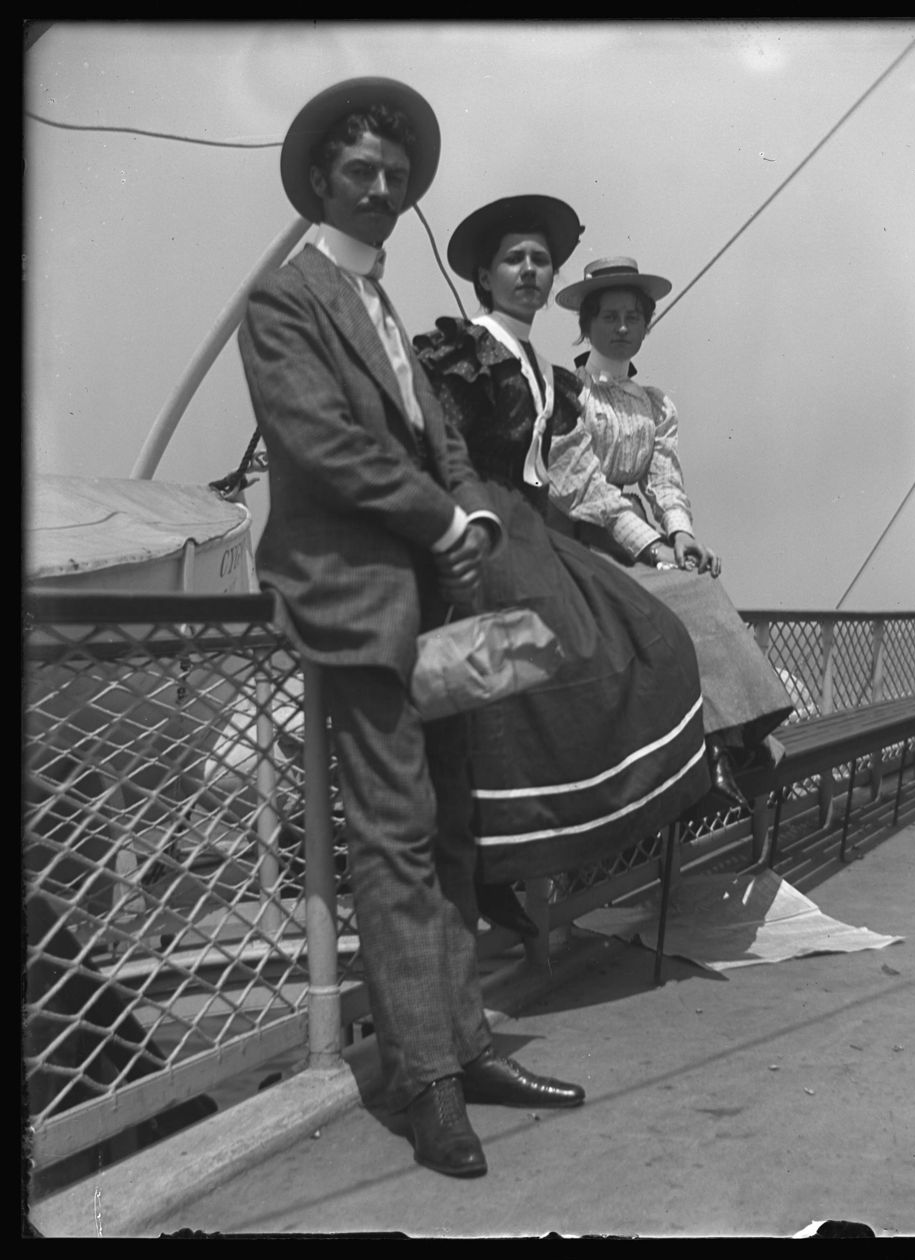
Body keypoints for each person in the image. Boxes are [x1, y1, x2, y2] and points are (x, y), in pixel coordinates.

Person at [237, 79, 585, 1181]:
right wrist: (444, 515)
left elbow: (432, 431)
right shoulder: (286, 300)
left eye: (395, 173)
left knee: (449, 835)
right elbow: (320, 443)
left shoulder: (380, 297)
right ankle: (426, 1083)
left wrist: (469, 504)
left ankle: (467, 1045)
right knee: (392, 843)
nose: (383, 188)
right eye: (361, 174)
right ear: (319, 182)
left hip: (438, 600)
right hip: (355, 603)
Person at [413, 198, 711, 922]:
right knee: (523, 662)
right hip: (479, 532)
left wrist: (658, 540)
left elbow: (572, 474)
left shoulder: (548, 375)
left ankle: (552, 851)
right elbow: (435, 452)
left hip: (532, 528)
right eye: (514, 259)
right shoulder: (466, 349)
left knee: (654, 634)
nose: (528, 271)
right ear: (485, 275)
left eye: (540, 260)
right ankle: (490, 862)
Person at [547, 257, 793, 800]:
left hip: (639, 538)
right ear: (586, 325)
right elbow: (583, 487)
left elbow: (664, 480)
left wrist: (680, 535)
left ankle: (732, 743)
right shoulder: (567, 391)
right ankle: (709, 751)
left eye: (633, 316)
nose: (621, 327)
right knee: (670, 601)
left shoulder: (655, 404)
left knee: (700, 583)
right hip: (579, 537)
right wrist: (653, 546)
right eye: (608, 316)